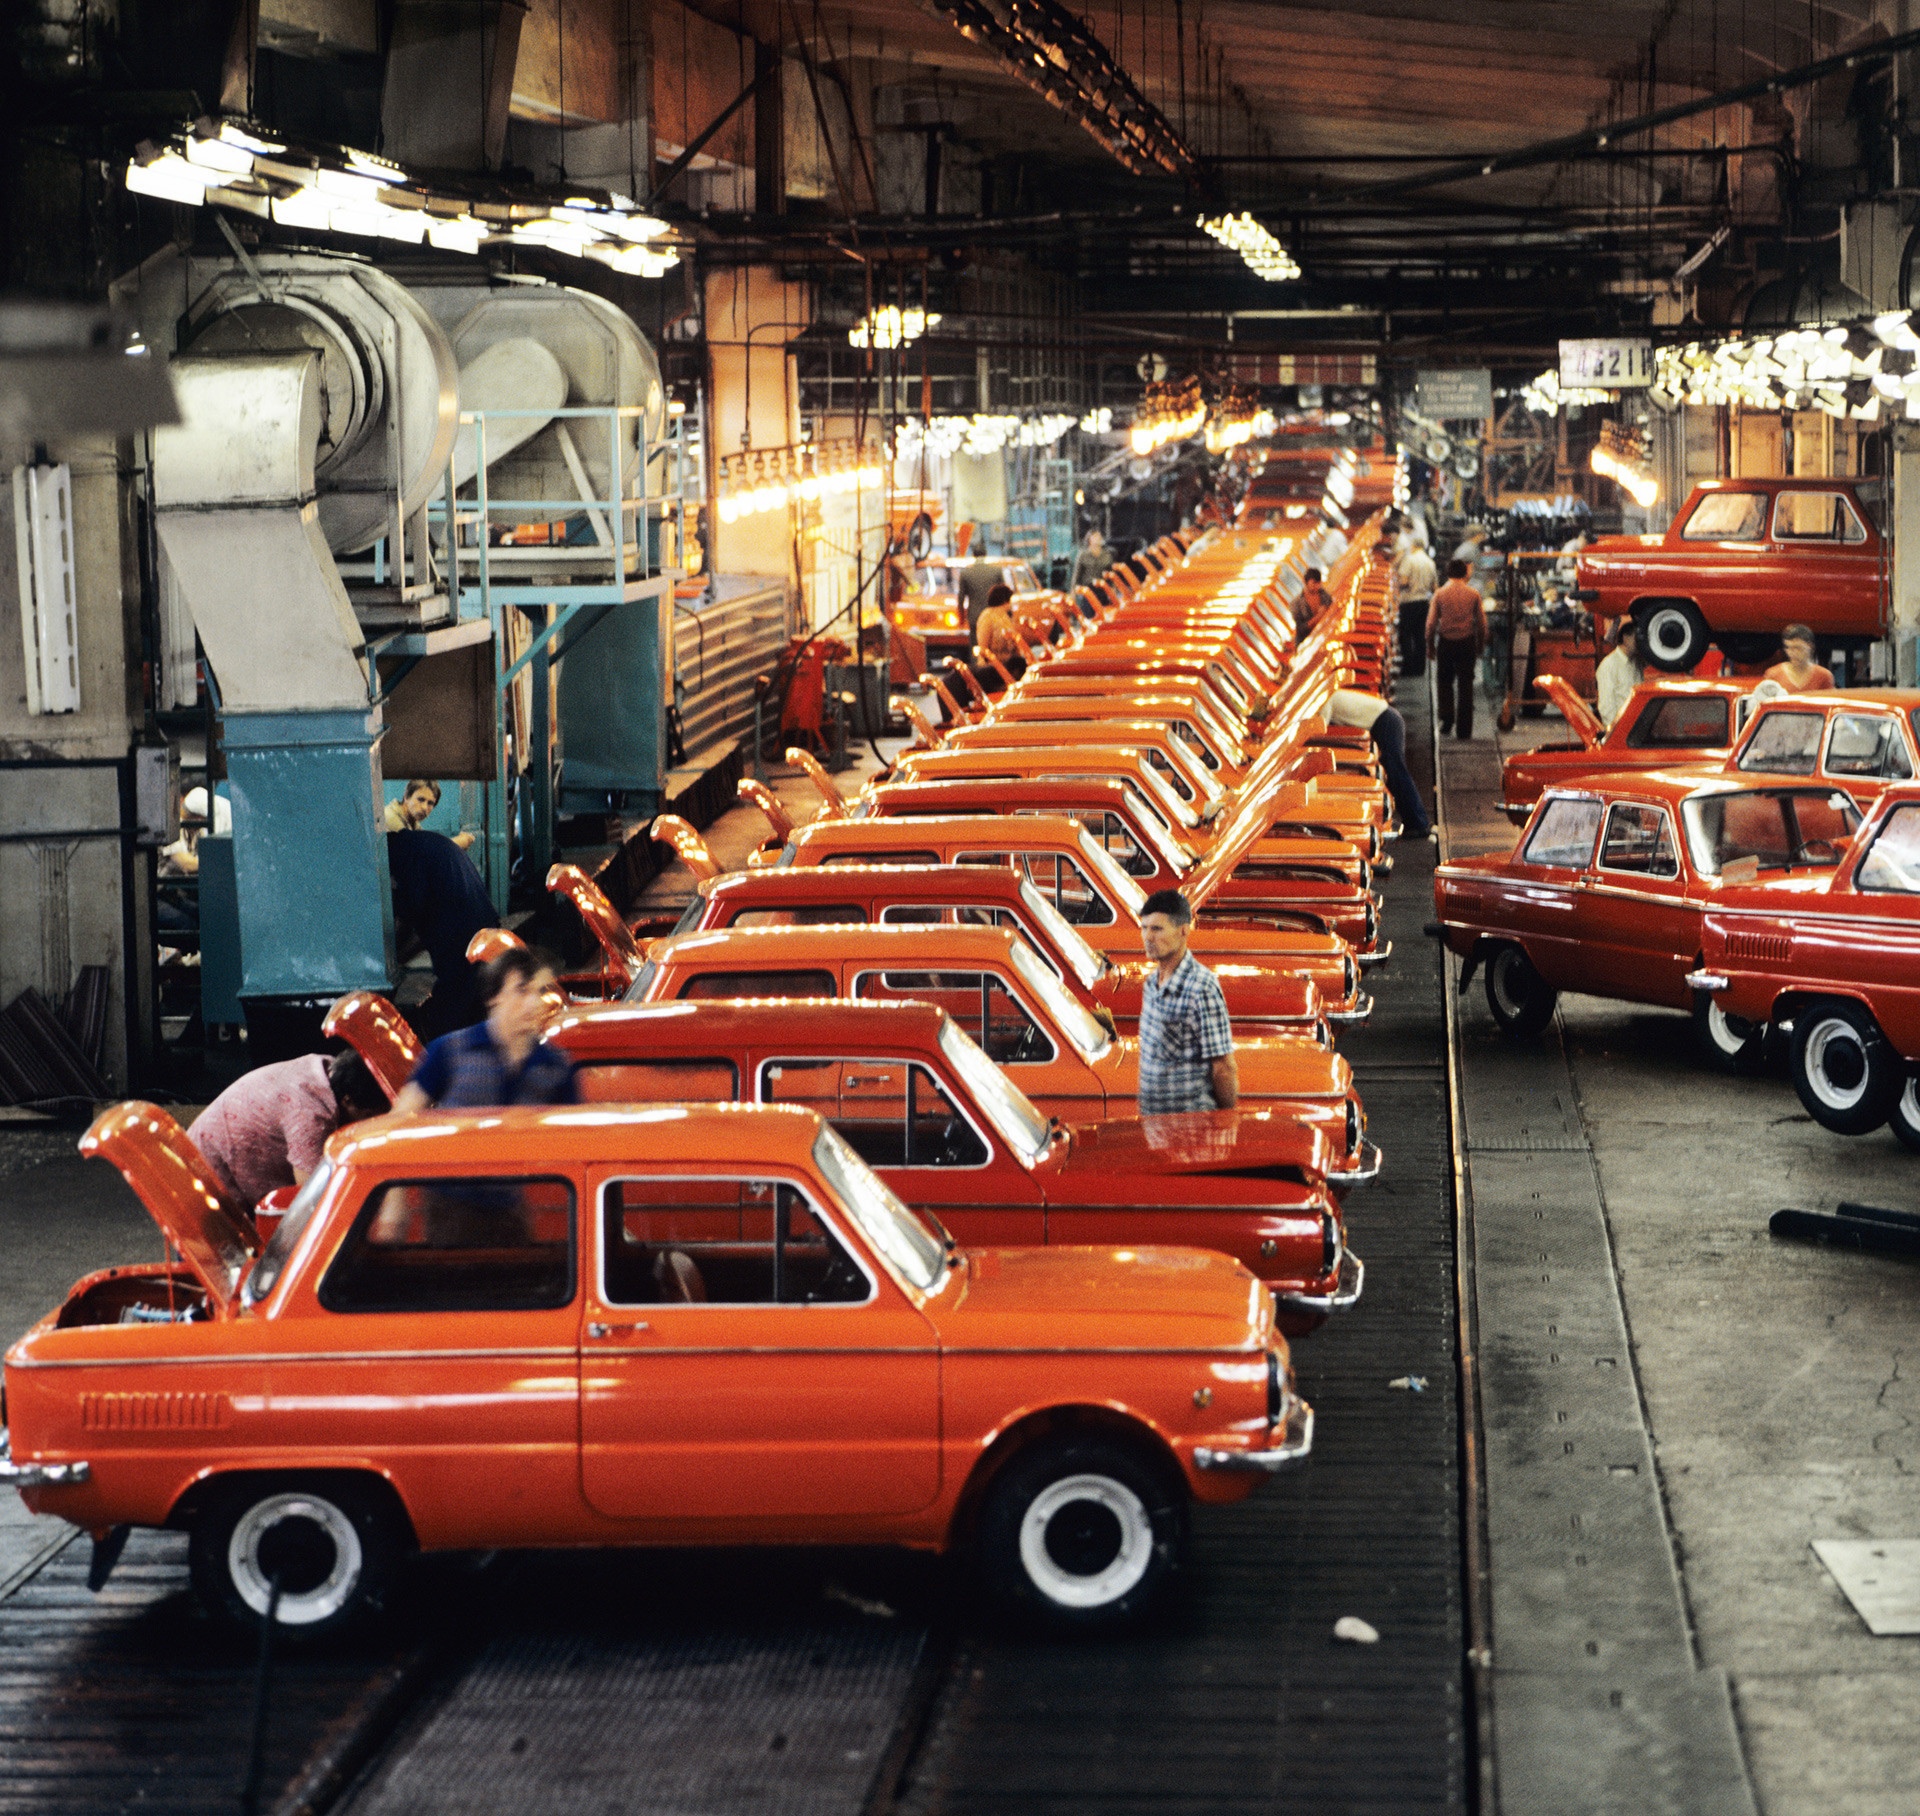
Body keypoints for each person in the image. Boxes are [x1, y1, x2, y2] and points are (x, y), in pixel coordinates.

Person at [188, 1049, 388, 1207]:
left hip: (215, 1151)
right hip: (205, 1173)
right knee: (217, 1255)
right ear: (348, 1102)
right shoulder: (310, 1116)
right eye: (369, 1117)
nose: (368, 1126)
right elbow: (312, 1200)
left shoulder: (330, 1070)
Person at [393, 945, 578, 1112]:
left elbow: (573, 1138)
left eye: (540, 991)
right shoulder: (450, 1052)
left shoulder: (554, 1066)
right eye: (522, 990)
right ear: (494, 996)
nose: (534, 1003)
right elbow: (401, 1122)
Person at [386, 825, 501, 1035]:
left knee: (453, 1003)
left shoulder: (402, 854)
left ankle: (444, 1048)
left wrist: (393, 956)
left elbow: (413, 907)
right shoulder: (423, 843)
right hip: (480, 925)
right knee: (470, 996)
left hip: (463, 933)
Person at [1136, 889, 1238, 1115]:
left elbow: (1222, 1067)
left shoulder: (1201, 987)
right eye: (1144, 928)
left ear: (1183, 931)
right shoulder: (1152, 984)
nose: (1148, 937)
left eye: (1157, 929)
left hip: (1190, 1132)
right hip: (1155, 1128)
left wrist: (1226, 1121)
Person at [1328, 689, 1431, 839]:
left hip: (1386, 722)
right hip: (1388, 718)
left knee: (1396, 773)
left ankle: (1419, 823)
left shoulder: (1325, 700)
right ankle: (1416, 822)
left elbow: (1317, 730)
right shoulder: (1328, 692)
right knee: (1396, 772)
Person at [1427, 559, 1489, 740]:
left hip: (1446, 643)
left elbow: (1430, 624)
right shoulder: (1473, 594)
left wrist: (1430, 646)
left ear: (1448, 573)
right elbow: (1482, 624)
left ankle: (1446, 720)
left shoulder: (1440, 594)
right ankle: (1464, 730)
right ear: (1465, 574)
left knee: (1444, 682)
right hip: (1466, 643)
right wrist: (1479, 645)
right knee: (1466, 685)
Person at [386, 779, 477, 851]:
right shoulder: (390, 818)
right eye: (420, 799)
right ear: (406, 797)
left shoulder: (413, 822)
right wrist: (457, 843)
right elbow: (419, 852)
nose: (425, 807)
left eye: (430, 803)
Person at [1395, 538, 1437, 678]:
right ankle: (1420, 668)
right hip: (1424, 602)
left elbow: (1404, 581)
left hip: (1409, 601)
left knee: (1405, 635)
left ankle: (1408, 667)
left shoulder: (1409, 560)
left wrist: (1398, 586)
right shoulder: (1430, 563)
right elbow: (1434, 586)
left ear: (1413, 546)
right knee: (1420, 635)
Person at [1595, 621, 1645, 727]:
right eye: (1636, 638)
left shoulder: (1636, 663)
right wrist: (1616, 732)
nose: (1640, 642)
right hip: (1621, 730)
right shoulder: (1609, 665)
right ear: (1625, 637)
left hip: (1635, 727)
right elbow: (1606, 707)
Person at [974, 583, 1027, 682]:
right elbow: (983, 645)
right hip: (992, 669)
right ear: (1004, 600)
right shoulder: (987, 616)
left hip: (1008, 666)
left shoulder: (1005, 616)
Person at [1764, 623, 1835, 693]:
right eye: (1789, 648)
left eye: (1798, 648)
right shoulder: (1773, 674)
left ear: (1810, 646)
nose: (1792, 653)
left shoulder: (1824, 676)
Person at [957, 542, 1003, 637]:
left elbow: (961, 598)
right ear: (985, 554)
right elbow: (1003, 595)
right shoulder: (996, 572)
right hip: (993, 616)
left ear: (973, 555)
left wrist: (961, 618)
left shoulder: (965, 574)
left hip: (974, 616)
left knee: (975, 644)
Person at [1295, 568, 1334, 634]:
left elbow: (1332, 605)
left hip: (1329, 628)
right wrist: (1317, 618)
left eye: (1318, 584)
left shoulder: (1323, 594)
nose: (1316, 587)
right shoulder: (1297, 605)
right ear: (1305, 583)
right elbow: (1301, 629)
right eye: (1313, 584)